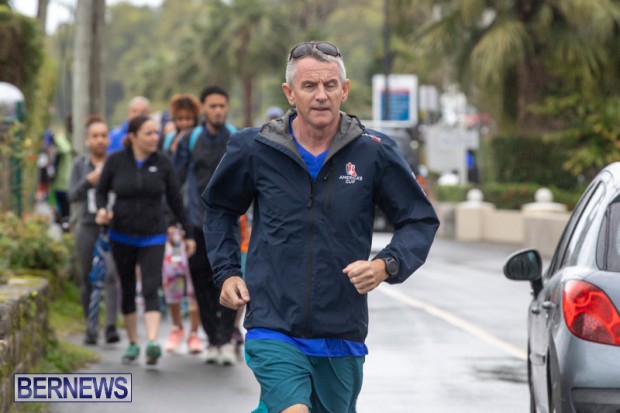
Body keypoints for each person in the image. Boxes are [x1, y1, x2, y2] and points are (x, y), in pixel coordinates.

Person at [202, 41, 439, 412]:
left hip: (342, 331)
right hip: (273, 324)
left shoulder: (374, 151)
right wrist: (228, 271)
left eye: (330, 85)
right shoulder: (255, 148)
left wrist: (385, 265)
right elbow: (219, 208)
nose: (321, 95)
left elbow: (419, 219)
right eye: (309, 86)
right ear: (290, 93)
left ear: (345, 90)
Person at [95, 115, 196, 366]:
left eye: (156, 133)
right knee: (128, 287)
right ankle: (132, 343)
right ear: (132, 137)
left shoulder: (162, 162)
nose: (155, 138)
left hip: (153, 235)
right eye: (148, 133)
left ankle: (152, 342)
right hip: (121, 234)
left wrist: (188, 232)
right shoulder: (116, 161)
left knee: (151, 287)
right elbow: (100, 191)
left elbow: (175, 199)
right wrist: (102, 210)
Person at [173, 85, 238, 365]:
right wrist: (174, 221)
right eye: (213, 106)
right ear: (203, 109)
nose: (218, 111)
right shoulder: (190, 139)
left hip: (231, 224)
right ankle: (213, 340)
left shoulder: (237, 137)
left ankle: (226, 339)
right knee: (202, 283)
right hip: (197, 223)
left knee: (230, 279)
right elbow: (175, 180)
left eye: (222, 106)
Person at [68, 114, 120, 345]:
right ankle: (90, 327)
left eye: (104, 135)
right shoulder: (80, 165)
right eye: (95, 136)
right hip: (87, 225)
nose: (100, 140)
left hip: (113, 226)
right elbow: (71, 195)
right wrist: (88, 181)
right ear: (87, 140)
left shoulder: (116, 162)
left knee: (111, 276)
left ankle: (110, 326)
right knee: (87, 277)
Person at [160, 93, 203, 354]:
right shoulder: (168, 143)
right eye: (180, 119)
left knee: (195, 281)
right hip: (173, 221)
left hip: (196, 219)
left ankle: (195, 333)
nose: (185, 123)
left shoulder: (199, 141)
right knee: (173, 277)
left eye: (189, 118)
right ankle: (176, 327)